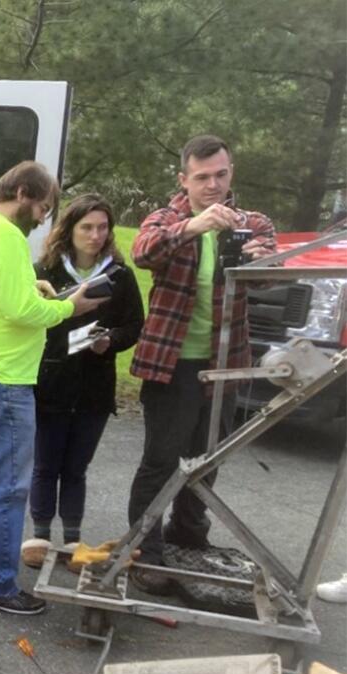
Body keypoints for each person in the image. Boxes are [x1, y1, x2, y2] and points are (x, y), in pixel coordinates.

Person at [0, 161, 103, 615]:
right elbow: (19, 312)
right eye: (44, 208)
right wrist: (70, 307)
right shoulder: (6, 234)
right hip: (3, 377)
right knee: (5, 485)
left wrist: (34, 287)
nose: (43, 219)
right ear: (25, 192)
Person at [126, 134, 275, 594]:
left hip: (227, 364)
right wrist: (194, 227)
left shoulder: (252, 222)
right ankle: (144, 552)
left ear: (232, 173)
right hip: (173, 364)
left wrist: (263, 264)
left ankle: (188, 536)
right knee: (160, 461)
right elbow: (143, 252)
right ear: (184, 179)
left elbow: (270, 283)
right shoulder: (166, 218)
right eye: (203, 177)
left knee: (208, 459)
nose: (213, 185)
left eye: (221, 175)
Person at [25, 194, 143, 555]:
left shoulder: (120, 276)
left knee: (76, 467)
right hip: (51, 379)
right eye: (87, 227)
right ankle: (40, 535)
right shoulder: (44, 271)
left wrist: (111, 340)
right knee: (46, 463)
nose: (95, 235)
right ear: (69, 229)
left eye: (102, 227)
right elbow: (28, 319)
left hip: (95, 385)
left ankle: (73, 537)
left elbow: (135, 324)